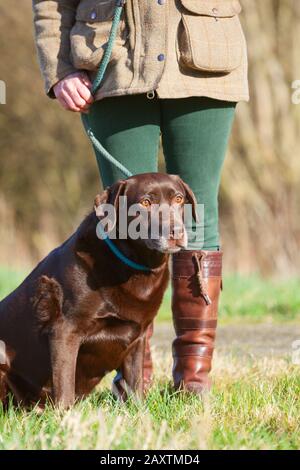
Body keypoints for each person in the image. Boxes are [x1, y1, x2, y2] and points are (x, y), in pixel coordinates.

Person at [32, 0, 249, 395]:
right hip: (111, 59)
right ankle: (134, 383)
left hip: (206, 53)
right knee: (125, 222)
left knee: (196, 215)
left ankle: (193, 381)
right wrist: (59, 68)